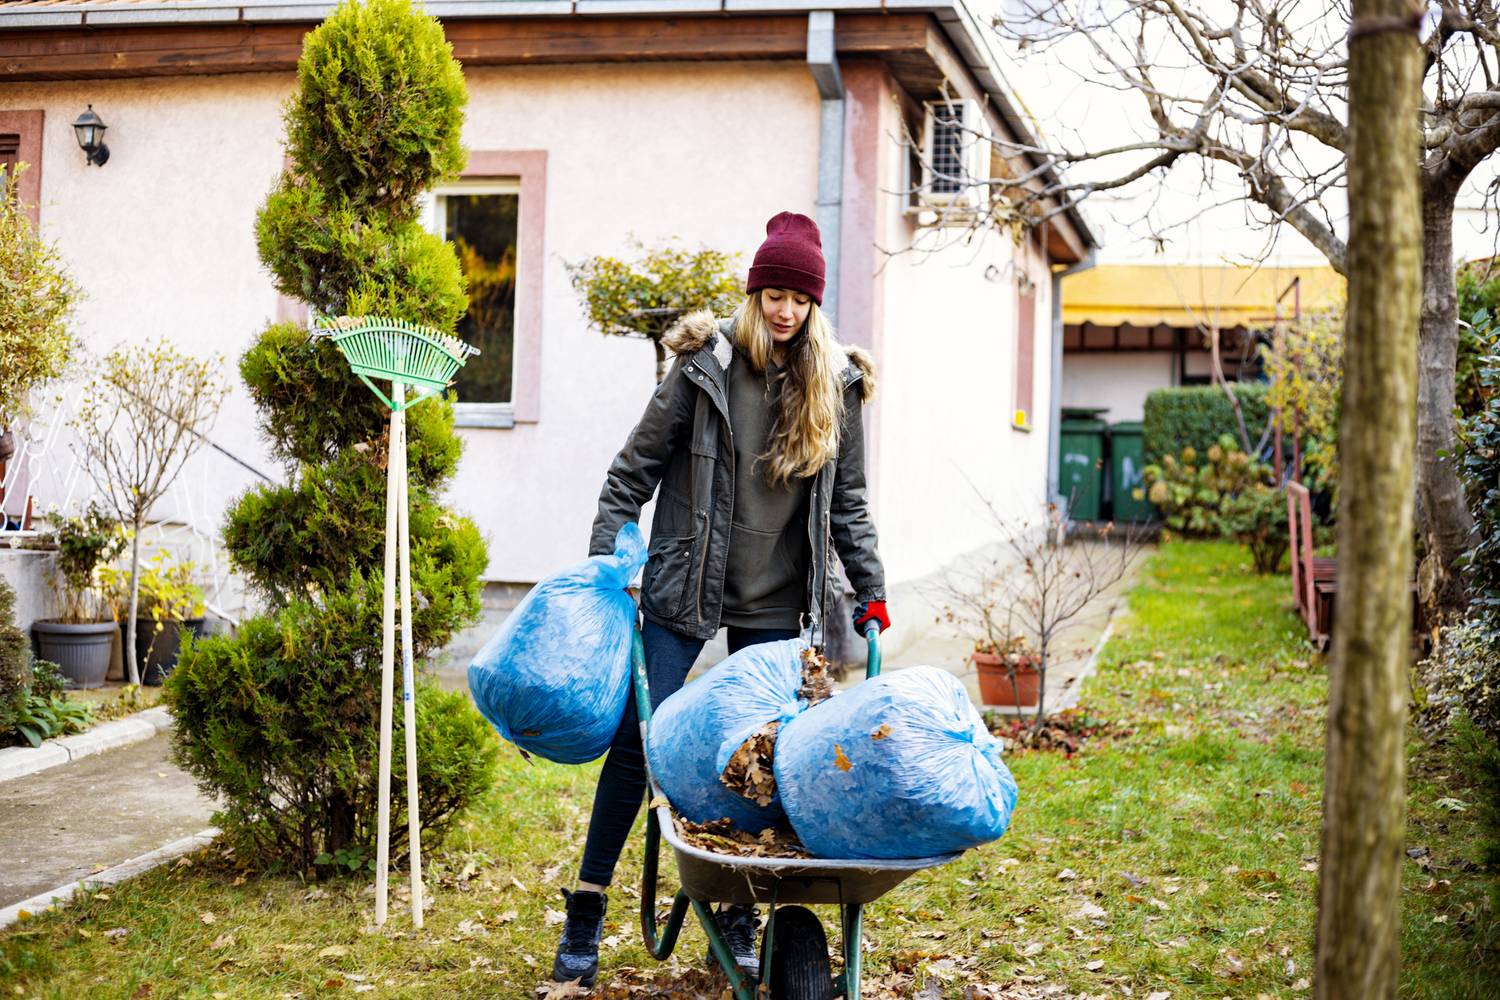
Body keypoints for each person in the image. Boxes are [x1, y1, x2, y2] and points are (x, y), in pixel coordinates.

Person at [551, 211, 890, 987]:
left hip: (777, 602)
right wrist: (612, 556)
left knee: (755, 760)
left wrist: (870, 590)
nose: (783, 310)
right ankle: (589, 905)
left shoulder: (835, 384)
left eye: (798, 299)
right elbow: (629, 473)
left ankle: (735, 910)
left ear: (813, 305)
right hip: (680, 586)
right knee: (638, 748)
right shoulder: (705, 367)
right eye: (772, 293)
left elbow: (851, 506)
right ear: (754, 291)